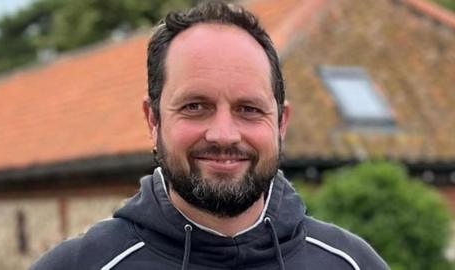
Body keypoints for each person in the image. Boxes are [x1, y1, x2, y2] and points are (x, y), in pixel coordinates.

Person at [30, 1, 388, 269]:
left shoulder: (354, 264)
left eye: (249, 109)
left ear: (281, 123)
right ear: (152, 119)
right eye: (195, 107)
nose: (223, 135)